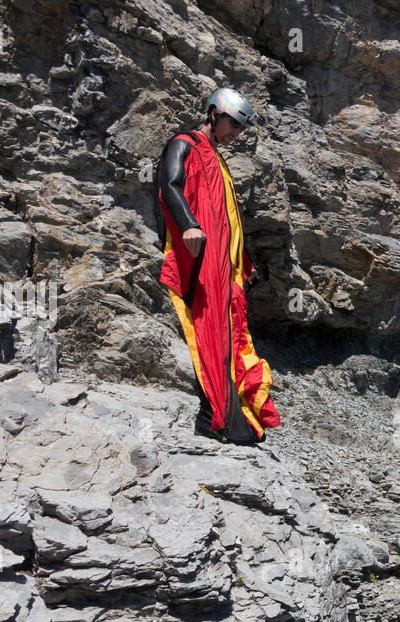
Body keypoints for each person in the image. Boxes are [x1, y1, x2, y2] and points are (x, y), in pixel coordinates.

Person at [154, 87, 280, 444]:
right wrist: (188, 224)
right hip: (204, 262)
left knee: (228, 336)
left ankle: (229, 417)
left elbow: (228, 220)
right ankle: (212, 417)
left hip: (225, 267)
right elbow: (170, 185)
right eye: (233, 125)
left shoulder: (217, 158)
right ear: (213, 113)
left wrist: (244, 262)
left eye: (240, 129)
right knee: (210, 332)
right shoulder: (185, 143)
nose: (236, 134)